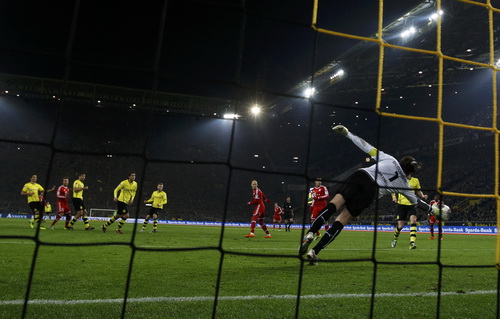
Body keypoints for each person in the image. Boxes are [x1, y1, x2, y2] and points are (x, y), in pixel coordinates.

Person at [299, 125, 439, 265]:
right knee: (342, 218)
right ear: (410, 173)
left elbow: (366, 146)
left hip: (361, 176)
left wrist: (348, 134)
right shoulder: (404, 184)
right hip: (370, 192)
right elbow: (417, 202)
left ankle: (311, 232)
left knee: (333, 205)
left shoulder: (391, 159)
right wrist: (434, 210)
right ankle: (314, 252)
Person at [390, 174, 428, 249]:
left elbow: (418, 191)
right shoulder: (399, 180)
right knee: (400, 226)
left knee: (413, 221)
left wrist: (423, 196)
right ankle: (395, 239)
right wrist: (394, 197)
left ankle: (412, 243)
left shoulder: (415, 180)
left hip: (412, 204)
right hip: (401, 205)